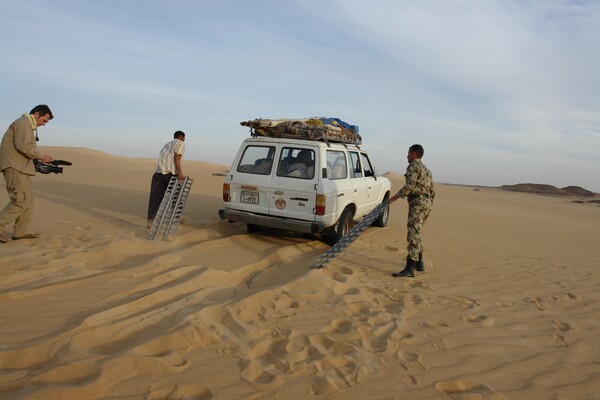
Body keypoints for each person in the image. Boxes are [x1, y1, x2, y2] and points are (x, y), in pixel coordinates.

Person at [0, 105, 55, 243]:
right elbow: (22, 146)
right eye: (44, 120)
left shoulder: (28, 126)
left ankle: (19, 232)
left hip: (21, 168)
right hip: (14, 167)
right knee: (20, 201)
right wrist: (41, 156)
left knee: (28, 201)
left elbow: (23, 148)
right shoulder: (23, 123)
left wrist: (37, 162)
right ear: (36, 114)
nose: (44, 124)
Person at [389, 144, 435, 277]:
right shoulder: (427, 170)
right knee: (417, 232)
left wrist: (395, 197)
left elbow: (410, 185)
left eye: (408, 153)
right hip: (426, 204)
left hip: (417, 203)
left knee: (413, 234)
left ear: (414, 154)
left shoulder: (413, 166)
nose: (407, 156)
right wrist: (428, 204)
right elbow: (433, 191)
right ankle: (419, 263)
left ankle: (409, 269)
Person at [146, 131, 186, 228]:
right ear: (181, 137)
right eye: (184, 138)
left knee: (155, 199)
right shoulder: (180, 143)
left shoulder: (166, 145)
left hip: (158, 175)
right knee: (176, 197)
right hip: (170, 175)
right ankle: (175, 220)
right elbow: (177, 157)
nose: (184, 140)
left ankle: (150, 221)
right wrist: (180, 172)